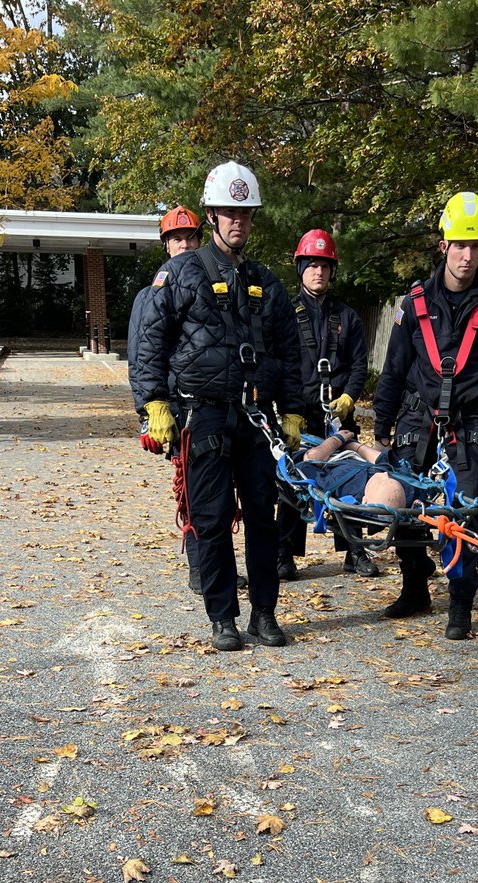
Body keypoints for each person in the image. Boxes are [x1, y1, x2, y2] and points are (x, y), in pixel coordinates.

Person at [133, 161, 304, 651]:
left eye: (245, 213)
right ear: (211, 215)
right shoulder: (180, 274)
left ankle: (264, 614)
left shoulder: (267, 284)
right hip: (202, 414)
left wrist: (292, 412)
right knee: (209, 521)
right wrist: (153, 405)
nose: (238, 221)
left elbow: (290, 355)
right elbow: (150, 344)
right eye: (229, 212)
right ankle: (223, 617)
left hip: (255, 419)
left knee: (262, 519)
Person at [373, 191, 478, 640]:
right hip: (416, 421)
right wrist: (382, 426)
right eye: (460, 244)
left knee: (464, 513)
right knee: (408, 508)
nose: (468, 255)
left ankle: (461, 604)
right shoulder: (415, 301)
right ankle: (415, 587)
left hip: (469, 424)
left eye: (476, 246)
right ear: (444, 246)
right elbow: (394, 368)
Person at [129, 206, 247, 597]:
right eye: (176, 239)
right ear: (165, 245)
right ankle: (202, 570)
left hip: (213, 406)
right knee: (193, 493)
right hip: (176, 410)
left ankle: (215, 568)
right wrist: (149, 410)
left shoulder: (212, 285)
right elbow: (142, 354)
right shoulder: (152, 294)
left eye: (190, 238)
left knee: (219, 491)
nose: (184, 244)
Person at [277, 229, 374, 580]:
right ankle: (283, 553)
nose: (318, 272)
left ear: (332, 271)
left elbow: (359, 363)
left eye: (324, 266)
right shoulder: (286, 313)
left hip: (337, 414)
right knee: (292, 483)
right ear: (301, 268)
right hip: (297, 415)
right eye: (312, 265)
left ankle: (354, 551)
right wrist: (285, 410)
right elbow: (280, 364)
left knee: (348, 479)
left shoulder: (345, 316)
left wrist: (349, 394)